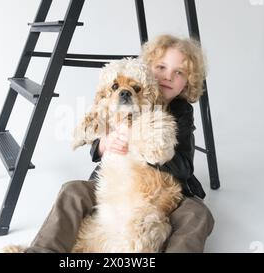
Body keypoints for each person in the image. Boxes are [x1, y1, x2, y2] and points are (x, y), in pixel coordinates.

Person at [26, 34, 214, 253]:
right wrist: (106, 143)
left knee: (197, 214)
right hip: (116, 186)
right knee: (73, 191)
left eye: (178, 72)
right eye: (161, 67)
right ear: (146, 68)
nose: (168, 77)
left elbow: (184, 167)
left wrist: (139, 142)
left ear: (187, 82)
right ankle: (42, 250)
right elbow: (95, 146)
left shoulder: (182, 112)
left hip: (161, 194)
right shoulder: (118, 98)